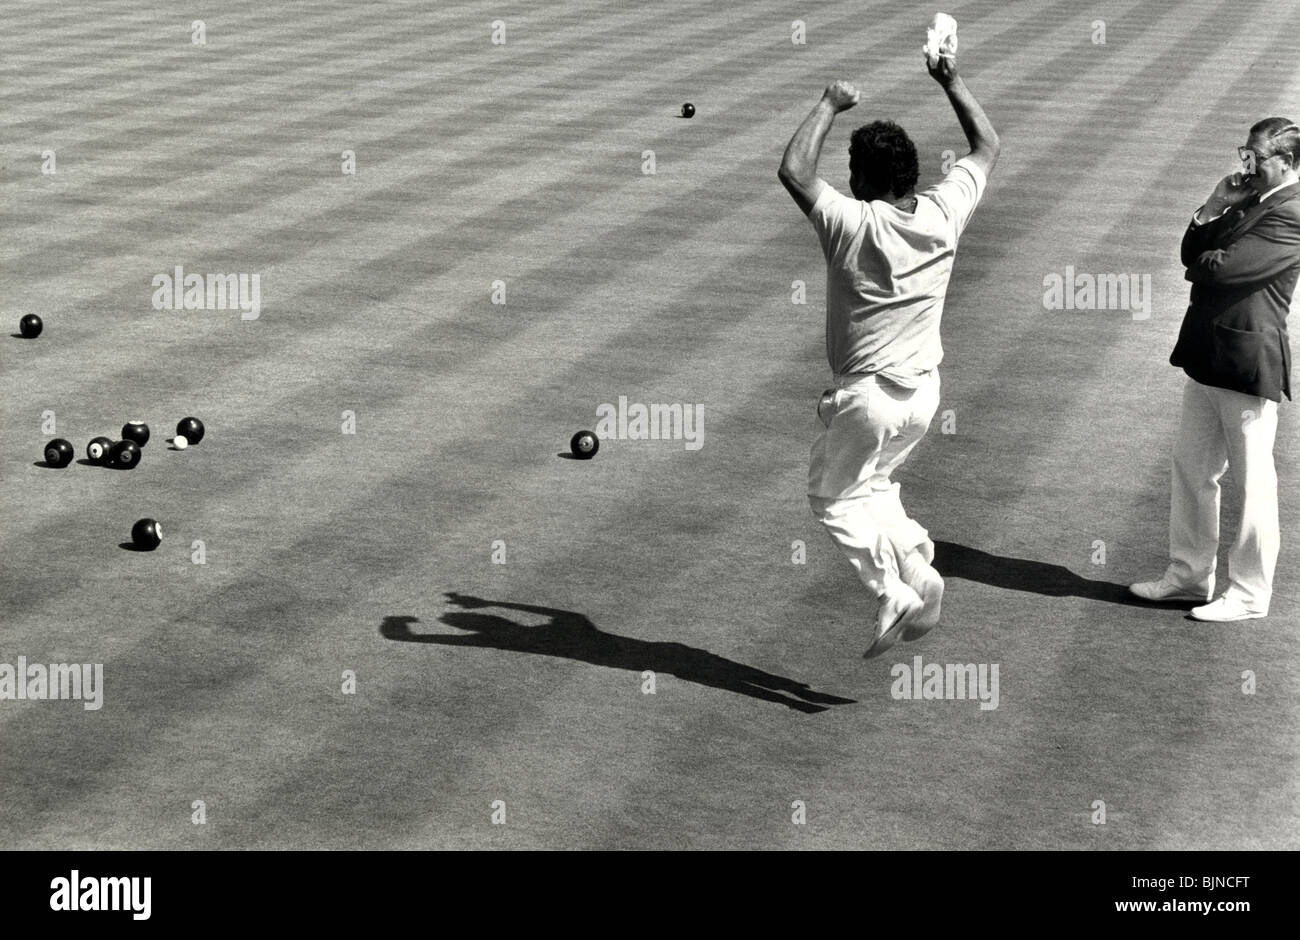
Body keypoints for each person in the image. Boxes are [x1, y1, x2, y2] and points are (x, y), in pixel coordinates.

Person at [777, 51, 998, 656]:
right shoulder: (945, 210)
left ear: (863, 179)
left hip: (867, 396)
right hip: (923, 394)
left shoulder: (851, 222)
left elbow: (795, 172)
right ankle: (920, 573)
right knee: (873, 486)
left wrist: (828, 102)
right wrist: (950, 81)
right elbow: (985, 147)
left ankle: (888, 590)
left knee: (830, 496)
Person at [1130, 119, 1300, 621]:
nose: (1247, 163)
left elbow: (1224, 270)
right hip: (1207, 354)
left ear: (1286, 162)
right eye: (1245, 152)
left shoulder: (1291, 211)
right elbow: (1193, 253)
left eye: (1258, 156)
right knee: (1192, 469)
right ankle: (1188, 576)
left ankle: (1249, 593)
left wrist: (1210, 254)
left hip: (1247, 360)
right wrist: (1212, 205)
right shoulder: (1250, 199)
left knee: (1253, 482)